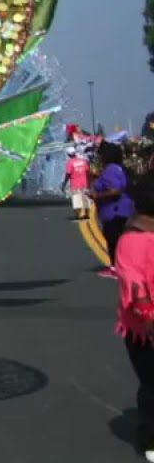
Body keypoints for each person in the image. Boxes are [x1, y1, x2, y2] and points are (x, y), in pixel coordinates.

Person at [114, 173, 154, 460]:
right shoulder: (133, 238)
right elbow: (135, 284)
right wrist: (150, 320)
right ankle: (150, 440)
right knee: (152, 384)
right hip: (144, 328)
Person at [93, 141, 136, 273]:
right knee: (117, 239)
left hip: (115, 210)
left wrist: (97, 195)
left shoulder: (110, 169)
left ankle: (116, 267)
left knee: (114, 239)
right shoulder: (117, 167)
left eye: (101, 155)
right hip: (121, 209)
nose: (99, 157)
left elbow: (116, 190)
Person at [65, 147, 91, 220]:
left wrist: (64, 184)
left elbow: (68, 174)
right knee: (86, 200)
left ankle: (77, 216)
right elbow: (87, 172)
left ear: (68, 154)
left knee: (77, 201)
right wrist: (89, 183)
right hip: (85, 184)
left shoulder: (70, 163)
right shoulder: (83, 161)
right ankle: (87, 215)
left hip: (75, 185)